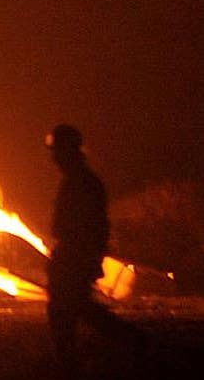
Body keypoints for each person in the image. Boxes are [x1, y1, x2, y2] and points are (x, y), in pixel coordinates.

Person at [44, 123, 136, 361]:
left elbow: (93, 227)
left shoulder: (83, 183)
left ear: (69, 149)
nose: (53, 157)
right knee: (71, 309)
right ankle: (67, 360)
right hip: (72, 255)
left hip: (75, 256)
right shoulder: (77, 180)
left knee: (72, 310)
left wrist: (86, 257)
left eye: (56, 150)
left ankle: (134, 341)